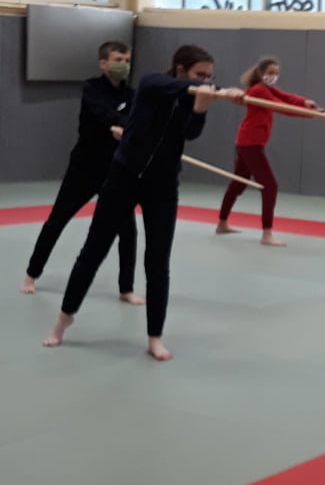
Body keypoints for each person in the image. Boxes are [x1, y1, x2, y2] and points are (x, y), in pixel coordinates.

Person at [43, 45, 243, 361]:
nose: (205, 81)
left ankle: (154, 338)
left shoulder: (191, 96)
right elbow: (168, 86)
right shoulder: (152, 84)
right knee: (93, 251)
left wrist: (203, 105)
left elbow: (190, 133)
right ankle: (63, 321)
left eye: (210, 76)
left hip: (162, 186)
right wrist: (219, 90)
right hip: (123, 178)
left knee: (158, 262)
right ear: (180, 70)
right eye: (199, 75)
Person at [22, 41, 140, 302]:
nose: (123, 64)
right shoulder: (91, 87)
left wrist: (127, 128)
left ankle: (126, 289)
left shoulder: (132, 94)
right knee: (58, 220)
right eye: (118, 59)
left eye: (127, 60)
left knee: (127, 230)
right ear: (103, 63)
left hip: (116, 170)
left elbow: (134, 119)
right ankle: (32, 274)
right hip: (85, 167)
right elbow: (101, 112)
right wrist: (115, 124)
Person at [216, 55, 319, 247]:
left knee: (237, 184)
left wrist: (305, 103)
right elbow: (280, 107)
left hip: (248, 142)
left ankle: (222, 224)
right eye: (270, 72)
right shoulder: (258, 90)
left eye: (276, 73)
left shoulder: (266, 89)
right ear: (261, 73)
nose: (274, 76)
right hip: (250, 143)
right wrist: (308, 114)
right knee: (269, 186)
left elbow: (286, 97)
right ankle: (266, 234)